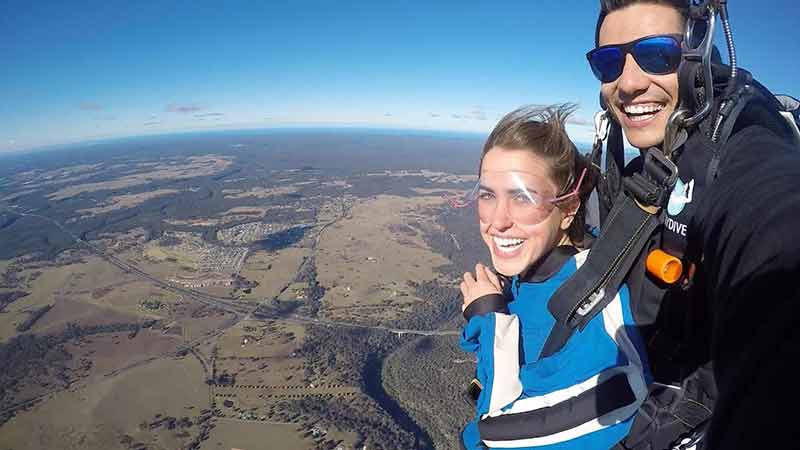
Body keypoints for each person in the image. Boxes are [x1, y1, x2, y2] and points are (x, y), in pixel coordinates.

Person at [583, 1, 800, 448]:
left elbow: (773, 219)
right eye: (608, 63)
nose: (627, 83)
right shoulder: (644, 157)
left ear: (697, 56)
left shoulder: (740, 151)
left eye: (656, 54)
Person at [457, 104, 650, 450]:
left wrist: (489, 318)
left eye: (523, 198)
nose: (498, 220)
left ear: (568, 209)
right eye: (487, 195)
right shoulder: (532, 273)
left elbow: (499, 436)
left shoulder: (591, 308)